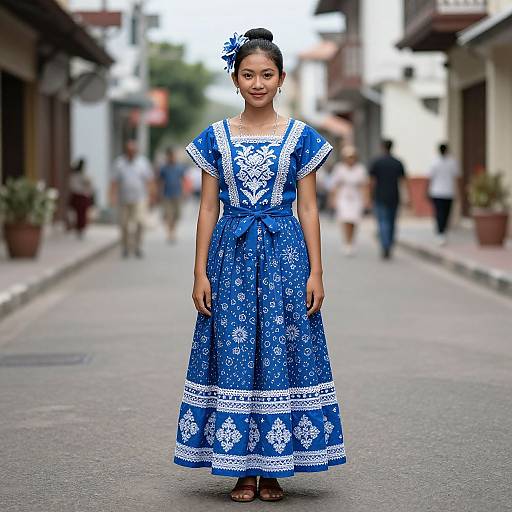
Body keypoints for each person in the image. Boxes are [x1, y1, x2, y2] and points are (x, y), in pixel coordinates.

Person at [173, 28, 346, 503]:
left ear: (282, 78)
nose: (257, 83)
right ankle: (240, 470)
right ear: (234, 78)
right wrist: (199, 272)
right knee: (234, 351)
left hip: (285, 255)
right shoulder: (215, 138)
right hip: (229, 255)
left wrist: (316, 271)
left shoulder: (299, 137)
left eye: (266, 74)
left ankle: (273, 469)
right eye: (248, 74)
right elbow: (207, 208)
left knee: (279, 350)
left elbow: (308, 208)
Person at [110, 140, 154, 259]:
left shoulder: (142, 163)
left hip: (140, 198)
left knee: (140, 222)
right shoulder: (119, 163)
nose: (131, 153)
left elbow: (149, 180)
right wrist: (112, 196)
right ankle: (125, 247)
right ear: (126, 151)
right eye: (129, 151)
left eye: (133, 151)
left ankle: (137, 246)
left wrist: (151, 196)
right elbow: (114, 182)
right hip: (124, 199)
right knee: (124, 224)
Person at [369, 139, 407, 260]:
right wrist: (407, 197)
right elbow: (403, 181)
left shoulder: (377, 162)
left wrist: (370, 196)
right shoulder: (398, 162)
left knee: (383, 222)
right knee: (392, 222)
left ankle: (385, 245)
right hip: (394, 196)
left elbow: (372, 181)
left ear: (382, 147)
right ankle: (389, 243)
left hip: (380, 196)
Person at [330, 146, 368, 256]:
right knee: (345, 219)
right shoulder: (339, 168)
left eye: (352, 157)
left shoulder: (360, 169)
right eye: (348, 157)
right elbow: (334, 185)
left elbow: (365, 185)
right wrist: (332, 199)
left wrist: (366, 199)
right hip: (343, 197)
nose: (350, 159)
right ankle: (347, 242)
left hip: (356, 197)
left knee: (354, 220)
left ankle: (352, 240)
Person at [427, 143, 460, 246]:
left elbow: (430, 179)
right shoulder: (452, 162)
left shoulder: (435, 163)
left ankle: (441, 232)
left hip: (437, 192)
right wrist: (457, 192)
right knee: (444, 214)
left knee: (440, 213)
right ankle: (441, 232)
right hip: (447, 192)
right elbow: (456, 179)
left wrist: (427, 191)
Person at [159, 147, 187, 243]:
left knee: (176, 215)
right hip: (167, 195)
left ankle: (173, 230)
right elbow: (160, 181)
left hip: (177, 194)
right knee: (168, 215)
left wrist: (184, 192)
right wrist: (159, 193)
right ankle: (170, 233)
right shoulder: (164, 168)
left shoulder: (179, 168)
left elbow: (183, 180)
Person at [68, 158, 94, 238]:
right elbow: (73, 186)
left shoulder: (82, 175)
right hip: (78, 195)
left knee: (82, 214)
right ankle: (78, 228)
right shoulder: (75, 175)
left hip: (81, 196)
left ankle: (81, 228)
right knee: (78, 213)